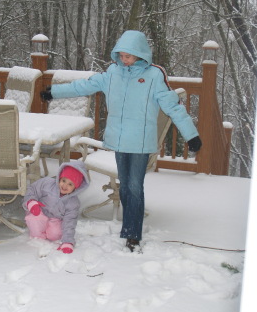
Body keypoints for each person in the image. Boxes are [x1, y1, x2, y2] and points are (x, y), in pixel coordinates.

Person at [40, 30, 202, 252]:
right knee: (126, 186)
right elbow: (84, 85)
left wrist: (191, 135)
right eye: (122, 55)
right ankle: (128, 229)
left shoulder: (154, 75)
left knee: (134, 186)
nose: (125, 60)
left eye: (129, 56)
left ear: (140, 54)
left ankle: (133, 234)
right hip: (118, 139)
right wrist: (54, 92)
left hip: (141, 142)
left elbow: (173, 106)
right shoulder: (112, 73)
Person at [22, 160, 89, 254]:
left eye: (70, 184)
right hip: (38, 211)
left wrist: (67, 241)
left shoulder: (73, 203)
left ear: (76, 187)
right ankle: (38, 238)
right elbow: (32, 189)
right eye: (64, 180)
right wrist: (31, 202)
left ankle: (47, 231)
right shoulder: (47, 183)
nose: (65, 186)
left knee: (55, 235)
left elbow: (70, 222)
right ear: (59, 178)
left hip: (55, 219)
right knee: (35, 223)